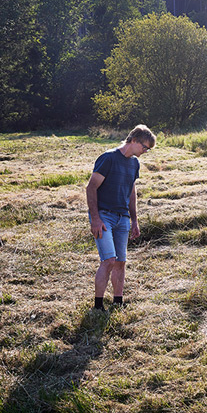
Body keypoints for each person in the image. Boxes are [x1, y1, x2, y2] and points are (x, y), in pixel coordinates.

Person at [85, 124, 156, 311]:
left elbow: (131, 191)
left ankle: (118, 302)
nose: (145, 151)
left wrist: (134, 220)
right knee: (108, 260)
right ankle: (98, 306)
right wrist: (96, 219)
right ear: (133, 140)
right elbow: (91, 187)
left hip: (122, 218)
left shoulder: (134, 163)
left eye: (148, 149)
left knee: (120, 262)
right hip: (104, 217)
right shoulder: (108, 158)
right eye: (145, 147)